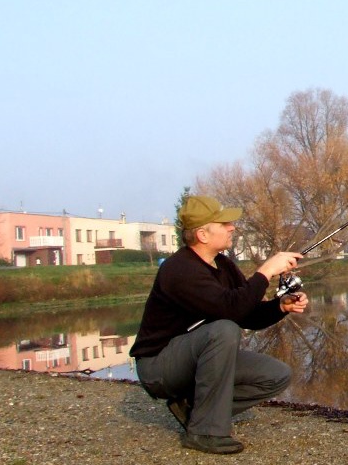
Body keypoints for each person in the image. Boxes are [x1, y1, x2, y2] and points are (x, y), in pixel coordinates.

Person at [129, 195, 308, 454]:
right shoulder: (179, 269)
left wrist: (280, 307)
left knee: (276, 375)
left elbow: (246, 314)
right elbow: (230, 309)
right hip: (159, 367)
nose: (232, 227)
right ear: (202, 234)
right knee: (224, 330)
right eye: (224, 224)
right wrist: (266, 270)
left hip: (194, 358)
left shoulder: (223, 265)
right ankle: (205, 432)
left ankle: (194, 409)